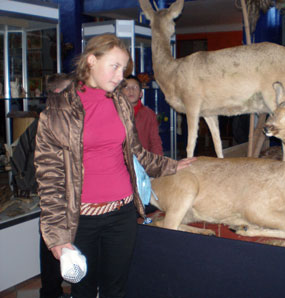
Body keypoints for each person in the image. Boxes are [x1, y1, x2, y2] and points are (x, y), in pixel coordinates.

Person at [34, 34, 195, 298]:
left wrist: (173, 166)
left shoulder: (120, 103)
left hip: (122, 213)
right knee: (83, 290)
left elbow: (136, 152)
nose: (120, 77)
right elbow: (49, 179)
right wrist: (57, 237)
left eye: (123, 69)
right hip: (81, 219)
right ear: (91, 61)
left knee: (116, 289)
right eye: (114, 66)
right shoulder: (57, 112)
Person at [39, 73, 72, 298]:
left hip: (63, 198)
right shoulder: (48, 122)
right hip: (56, 198)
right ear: (59, 93)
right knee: (52, 248)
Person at [122, 75, 163, 155]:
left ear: (141, 94)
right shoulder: (114, 113)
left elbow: (155, 143)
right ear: (121, 93)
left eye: (135, 87)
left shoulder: (149, 115)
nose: (131, 90)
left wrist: (158, 165)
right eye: (126, 88)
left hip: (142, 162)